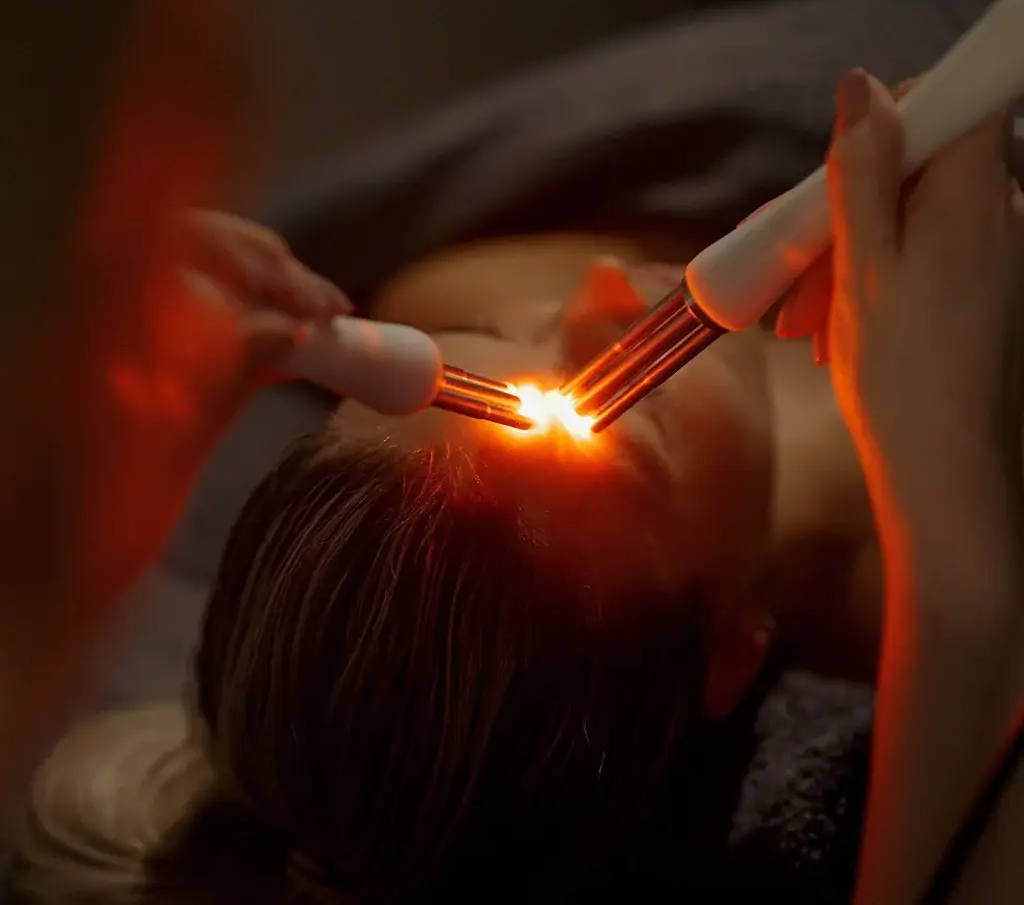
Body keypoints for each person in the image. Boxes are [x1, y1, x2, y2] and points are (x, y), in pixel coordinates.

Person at [8, 66, 1023, 902]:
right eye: (632, 434)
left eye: (495, 345)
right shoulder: (949, 598)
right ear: (725, 648)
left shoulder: (446, 293)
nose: (599, 295)